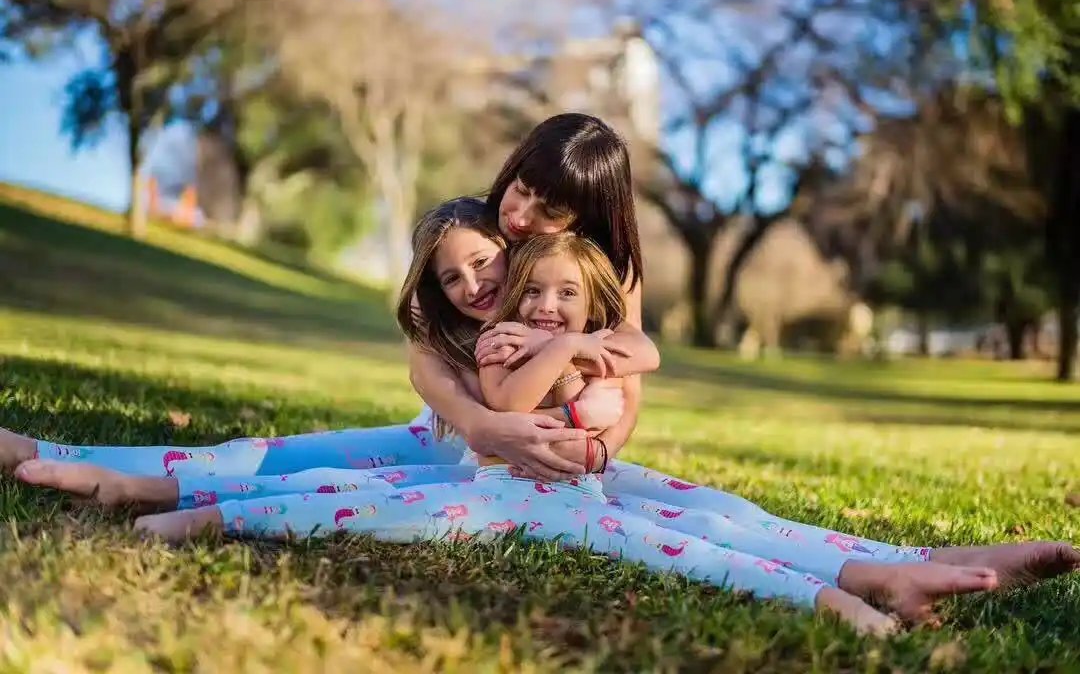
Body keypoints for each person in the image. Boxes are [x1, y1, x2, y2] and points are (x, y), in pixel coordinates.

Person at [4, 116, 1076, 594]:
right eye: (520, 185)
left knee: (715, 513)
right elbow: (427, 353)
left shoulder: (596, 276)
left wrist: (601, 430)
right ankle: (71, 458)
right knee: (291, 457)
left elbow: (629, 389)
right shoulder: (477, 236)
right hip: (461, 441)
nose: (518, 212)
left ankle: (910, 567)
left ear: (590, 220)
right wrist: (478, 421)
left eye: (545, 205)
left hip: (552, 463)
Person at [134, 229, 1006, 636]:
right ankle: (196, 509)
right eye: (536, 292)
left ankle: (887, 575)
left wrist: (595, 355)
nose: (545, 304)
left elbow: (627, 384)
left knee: (712, 527)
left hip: (580, 497)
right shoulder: (509, 341)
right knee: (349, 498)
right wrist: (569, 343)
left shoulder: (579, 340)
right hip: (500, 495)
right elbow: (506, 406)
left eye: (567, 298)